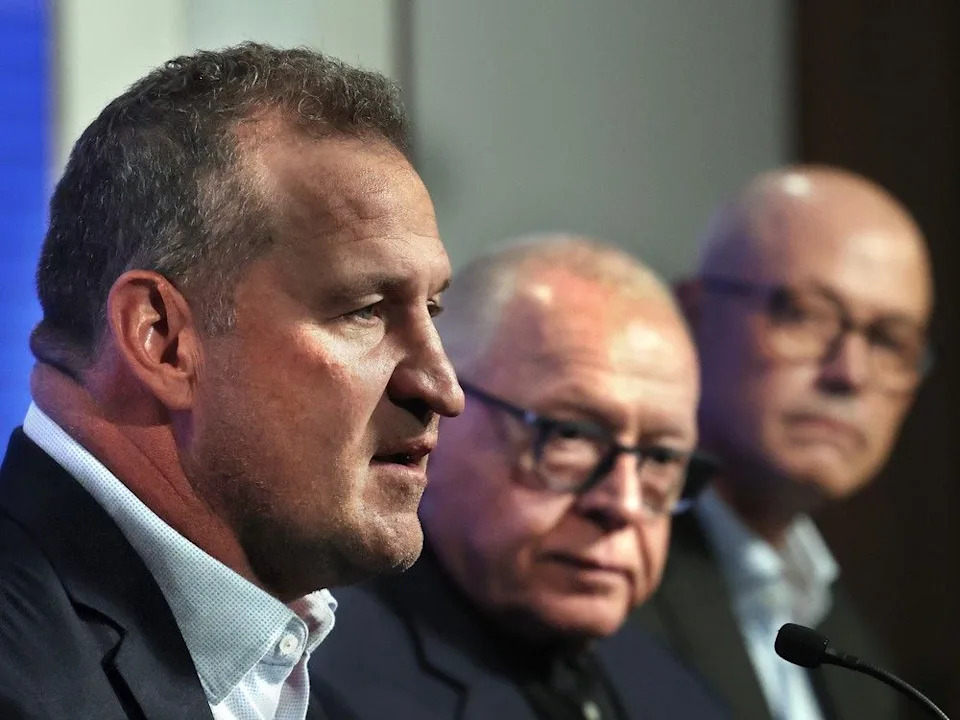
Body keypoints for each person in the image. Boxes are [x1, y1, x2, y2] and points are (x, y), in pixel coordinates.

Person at [0, 42, 463, 720]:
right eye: (366, 311)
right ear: (163, 339)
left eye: (432, 310)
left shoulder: (299, 664)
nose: (442, 388)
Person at [310, 236, 729, 719]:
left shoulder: (677, 692)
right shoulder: (311, 684)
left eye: (660, 457)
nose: (624, 504)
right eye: (571, 434)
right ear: (435, 411)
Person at [633, 165, 933, 719]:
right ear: (694, 317)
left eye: (890, 341)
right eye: (805, 315)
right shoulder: (602, 582)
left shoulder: (857, 653)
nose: (850, 373)